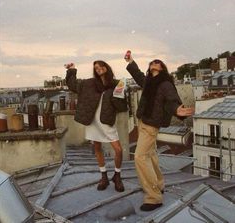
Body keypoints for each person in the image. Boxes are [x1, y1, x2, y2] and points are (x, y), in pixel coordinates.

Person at [125, 54, 194, 211]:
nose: (154, 63)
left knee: (140, 157)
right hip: (143, 121)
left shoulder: (165, 83)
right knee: (150, 155)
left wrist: (177, 109)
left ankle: (154, 197)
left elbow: (171, 98)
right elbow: (138, 75)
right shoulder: (149, 82)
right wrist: (130, 62)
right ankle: (160, 184)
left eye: (158, 62)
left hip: (151, 125)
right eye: (152, 62)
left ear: (162, 68)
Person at [65, 61, 128, 192]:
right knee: (97, 147)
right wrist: (72, 70)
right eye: (96, 68)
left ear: (107, 67)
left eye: (101, 66)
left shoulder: (117, 83)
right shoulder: (90, 83)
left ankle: (117, 175)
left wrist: (120, 94)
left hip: (106, 120)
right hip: (92, 120)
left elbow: (121, 107)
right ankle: (103, 176)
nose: (98, 69)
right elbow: (73, 85)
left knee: (118, 150)